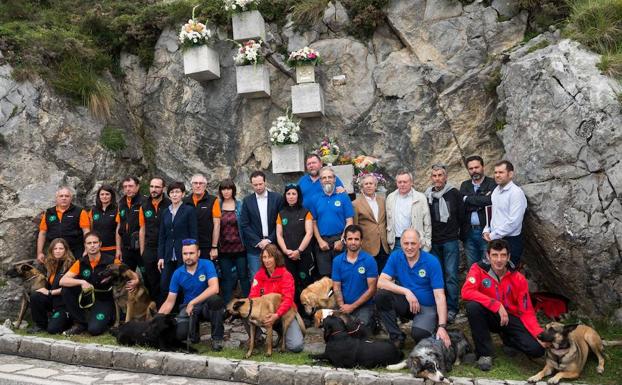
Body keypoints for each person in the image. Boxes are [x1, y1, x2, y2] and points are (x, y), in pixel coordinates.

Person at [461, 239, 545, 371]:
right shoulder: (477, 269)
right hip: (489, 314)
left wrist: (538, 334)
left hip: (510, 317)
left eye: (503, 255)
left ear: (508, 257)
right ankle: (484, 353)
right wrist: (496, 305)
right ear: (488, 256)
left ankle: (509, 340)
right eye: (495, 255)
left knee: (537, 350)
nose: (499, 260)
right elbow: (466, 292)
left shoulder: (518, 278)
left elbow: (527, 311)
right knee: (473, 306)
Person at [374, 229, 450, 349]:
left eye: (413, 243)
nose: (409, 247)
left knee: (419, 335)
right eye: (406, 243)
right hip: (407, 303)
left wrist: (442, 326)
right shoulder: (396, 256)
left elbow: (440, 296)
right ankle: (397, 337)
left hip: (426, 306)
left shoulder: (431, 261)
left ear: (420, 244)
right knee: (381, 296)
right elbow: (381, 282)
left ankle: (432, 326)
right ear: (401, 244)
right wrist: (406, 291)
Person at [60, 232, 138, 336]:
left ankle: (108, 317)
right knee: (66, 290)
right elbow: (63, 281)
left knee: (94, 330)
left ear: (100, 244)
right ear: (85, 245)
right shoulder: (81, 262)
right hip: (87, 298)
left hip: (104, 299)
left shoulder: (111, 261)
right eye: (89, 243)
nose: (92, 245)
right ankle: (80, 324)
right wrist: (81, 281)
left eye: (95, 242)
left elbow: (131, 273)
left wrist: (136, 280)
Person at [158, 239, 224, 351]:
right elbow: (169, 302)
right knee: (180, 335)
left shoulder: (207, 264)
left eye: (191, 253)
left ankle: (217, 339)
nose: (188, 257)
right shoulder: (177, 273)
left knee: (216, 300)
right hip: (188, 308)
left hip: (206, 306)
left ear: (198, 253)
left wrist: (193, 302)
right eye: (185, 253)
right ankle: (195, 334)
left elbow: (214, 288)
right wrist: (156, 320)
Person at [424, 164, 466, 324]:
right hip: (433, 242)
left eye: (440, 175)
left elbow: (462, 216)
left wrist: (458, 233)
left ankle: (453, 308)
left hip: (450, 241)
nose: (437, 178)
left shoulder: (454, 193)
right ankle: (439, 307)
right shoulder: (427, 195)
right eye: (434, 176)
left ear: (445, 177)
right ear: (431, 178)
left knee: (451, 275)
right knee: (437, 276)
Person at [249, 244, 304, 353]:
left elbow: (288, 300)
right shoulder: (258, 276)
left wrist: (277, 315)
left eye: (270, 257)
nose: (267, 260)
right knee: (244, 310)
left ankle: (288, 330)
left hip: (284, 313)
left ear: (276, 258)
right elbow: (252, 297)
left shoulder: (286, 275)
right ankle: (258, 338)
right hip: (266, 314)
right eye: (264, 257)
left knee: (295, 347)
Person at [276, 183, 314, 317]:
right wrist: (286, 251)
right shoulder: (281, 214)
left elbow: (309, 233)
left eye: (294, 194)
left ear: (298, 196)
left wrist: (299, 251)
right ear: (285, 196)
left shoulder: (306, 212)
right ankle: (293, 312)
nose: (291, 197)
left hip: (303, 255)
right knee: (290, 284)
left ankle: (307, 314)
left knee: (305, 283)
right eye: (288, 194)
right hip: (287, 256)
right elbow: (279, 234)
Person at [239, 171, 283, 284]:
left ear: (265, 182)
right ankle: (258, 301)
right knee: (256, 278)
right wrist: (259, 241)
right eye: (255, 185)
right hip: (255, 247)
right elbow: (244, 224)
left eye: (260, 184)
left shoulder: (277, 198)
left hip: (273, 244)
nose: (258, 187)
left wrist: (269, 240)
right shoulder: (247, 201)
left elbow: (280, 222)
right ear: (251, 184)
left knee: (276, 277)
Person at [158, 182, 198, 304]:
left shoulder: (189, 210)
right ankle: (169, 313)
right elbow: (162, 236)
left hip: (185, 254)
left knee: (185, 283)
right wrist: (160, 256)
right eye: (172, 192)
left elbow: (194, 233)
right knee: (165, 283)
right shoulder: (165, 212)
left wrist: (193, 253)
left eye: (177, 192)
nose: (174, 195)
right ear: (168, 195)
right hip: (169, 253)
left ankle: (185, 311)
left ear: (183, 194)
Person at [331, 225, 378, 330]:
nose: (353, 242)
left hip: (363, 306)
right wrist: (342, 306)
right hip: (343, 305)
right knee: (336, 329)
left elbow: (372, 289)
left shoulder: (369, 260)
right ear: (345, 241)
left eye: (356, 239)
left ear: (361, 241)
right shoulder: (337, 261)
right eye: (350, 239)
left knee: (359, 329)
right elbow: (336, 287)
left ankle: (374, 321)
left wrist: (352, 307)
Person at [310, 167, 354, 277]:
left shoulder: (343, 197)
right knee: (326, 278)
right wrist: (319, 241)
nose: (327, 179)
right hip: (322, 243)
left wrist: (342, 240)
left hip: (340, 241)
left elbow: (349, 221)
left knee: (344, 274)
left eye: (330, 177)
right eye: (324, 178)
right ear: (320, 181)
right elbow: (313, 222)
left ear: (335, 179)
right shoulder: (315, 199)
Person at [483, 160, 527, 266]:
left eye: (501, 172)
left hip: (510, 241)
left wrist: (493, 235)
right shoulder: (496, 191)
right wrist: (486, 230)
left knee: (507, 275)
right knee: (493, 275)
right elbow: (494, 215)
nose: (497, 175)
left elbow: (514, 222)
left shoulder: (516, 193)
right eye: (496, 172)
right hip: (495, 239)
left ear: (510, 174)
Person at [29, 238, 75, 334]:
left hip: (64, 303)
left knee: (52, 330)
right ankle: (40, 325)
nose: (58, 251)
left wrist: (49, 292)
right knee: (35, 295)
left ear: (66, 250)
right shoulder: (51, 264)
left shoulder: (72, 265)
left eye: (61, 248)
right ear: (51, 251)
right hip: (53, 300)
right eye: (55, 249)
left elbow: (71, 289)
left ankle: (69, 319)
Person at [216, 179, 250, 303]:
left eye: (229, 189)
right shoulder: (217, 206)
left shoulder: (240, 205)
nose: (226, 191)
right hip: (224, 249)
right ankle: (227, 305)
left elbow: (245, 225)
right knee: (226, 278)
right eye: (223, 189)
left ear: (233, 190)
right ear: (220, 191)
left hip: (240, 248)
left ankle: (248, 303)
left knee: (243, 276)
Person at [36, 186, 90, 264]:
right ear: (56, 198)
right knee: (55, 275)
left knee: (74, 274)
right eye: (61, 196)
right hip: (55, 252)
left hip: (75, 251)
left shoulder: (80, 212)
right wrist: (39, 252)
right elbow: (42, 233)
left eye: (67, 196)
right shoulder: (49, 213)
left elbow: (86, 232)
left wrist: (86, 250)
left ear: (71, 198)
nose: (64, 198)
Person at [460, 156, 497, 267]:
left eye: (476, 167)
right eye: (471, 168)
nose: (474, 170)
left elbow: (490, 200)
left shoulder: (492, 183)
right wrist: (481, 202)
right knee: (473, 267)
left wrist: (468, 199)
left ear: (483, 167)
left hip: (486, 232)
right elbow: (462, 205)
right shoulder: (465, 185)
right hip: (469, 232)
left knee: (488, 265)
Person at [139, 177, 171, 305]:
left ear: (163, 188)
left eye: (157, 187)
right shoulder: (144, 204)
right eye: (152, 186)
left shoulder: (169, 204)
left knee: (165, 280)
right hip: (150, 248)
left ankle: (167, 309)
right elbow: (142, 228)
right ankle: (155, 308)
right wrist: (142, 251)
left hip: (165, 248)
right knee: (151, 280)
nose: (154, 190)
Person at [385, 170, 432, 252]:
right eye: (400, 182)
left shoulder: (420, 198)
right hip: (396, 242)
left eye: (405, 182)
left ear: (411, 182)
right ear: (396, 183)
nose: (402, 184)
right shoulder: (390, 198)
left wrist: (427, 244)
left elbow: (427, 223)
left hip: (415, 242)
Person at [352, 174, 390, 272]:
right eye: (366, 184)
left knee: (385, 275)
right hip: (368, 246)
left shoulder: (383, 201)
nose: (369, 186)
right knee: (370, 276)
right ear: (362, 187)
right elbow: (355, 227)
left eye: (371, 183)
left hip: (384, 245)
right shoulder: (355, 204)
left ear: (375, 186)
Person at [184, 174, 221, 261]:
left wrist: (214, 247)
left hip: (207, 246)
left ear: (205, 185)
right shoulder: (184, 201)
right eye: (195, 183)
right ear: (191, 185)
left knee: (206, 272)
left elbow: (217, 224)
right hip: (189, 245)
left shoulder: (213, 200)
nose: (198, 185)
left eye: (201, 183)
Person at [115, 176, 144, 271]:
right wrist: (118, 249)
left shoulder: (145, 202)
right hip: (126, 249)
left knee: (148, 278)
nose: (128, 189)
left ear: (137, 187)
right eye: (125, 186)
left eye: (131, 186)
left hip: (141, 248)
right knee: (127, 277)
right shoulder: (121, 203)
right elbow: (119, 227)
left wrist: (144, 250)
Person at [89, 184, 118, 256]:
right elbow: (90, 230)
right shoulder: (93, 211)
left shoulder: (117, 210)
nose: (104, 196)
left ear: (112, 196)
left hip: (113, 249)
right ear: (99, 196)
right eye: (102, 194)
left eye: (107, 194)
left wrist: (119, 249)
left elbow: (119, 231)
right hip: (96, 249)